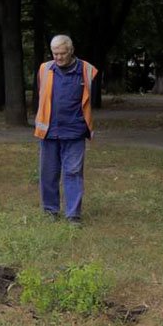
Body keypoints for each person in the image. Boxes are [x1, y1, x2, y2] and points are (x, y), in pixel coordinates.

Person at [34, 35, 99, 225]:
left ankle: (73, 215)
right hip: (49, 131)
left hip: (75, 131)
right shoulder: (45, 69)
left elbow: (91, 99)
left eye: (62, 53)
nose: (58, 57)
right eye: (55, 53)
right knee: (48, 173)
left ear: (71, 51)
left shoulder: (86, 70)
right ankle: (50, 211)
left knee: (73, 172)